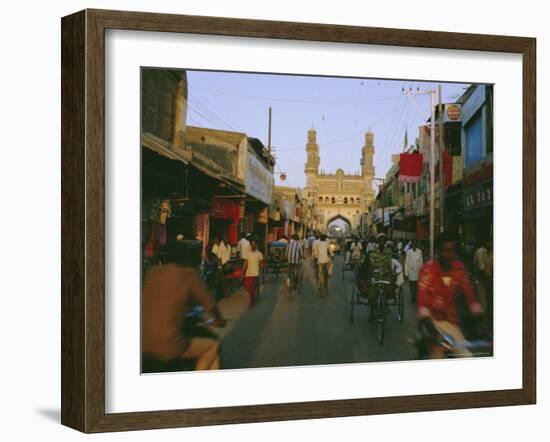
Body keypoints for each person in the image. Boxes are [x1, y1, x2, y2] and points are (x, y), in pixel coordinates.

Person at [142, 240, 226, 371]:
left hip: (141, 342)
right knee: (212, 346)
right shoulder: (188, 274)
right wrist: (219, 320)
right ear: (187, 257)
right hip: (168, 346)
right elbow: (210, 305)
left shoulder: (152, 271)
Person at [416, 231, 484, 358]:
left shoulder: (460, 269)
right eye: (444, 250)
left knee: (466, 356)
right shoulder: (427, 270)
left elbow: (470, 296)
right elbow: (423, 304)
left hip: (452, 323)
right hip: (430, 322)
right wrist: (434, 333)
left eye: (452, 250)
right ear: (437, 251)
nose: (449, 255)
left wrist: (479, 317)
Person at [474, 238, 493, 324]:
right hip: (480, 281)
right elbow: (482, 269)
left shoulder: (492, 253)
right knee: (483, 304)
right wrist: (491, 279)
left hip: (489, 280)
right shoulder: (480, 252)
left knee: (490, 304)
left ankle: (487, 324)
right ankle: (482, 325)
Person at [242, 239, 264, 308]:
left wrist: (261, 270)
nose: (253, 245)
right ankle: (252, 299)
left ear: (257, 245)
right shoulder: (247, 253)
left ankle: (252, 302)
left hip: (255, 273)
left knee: (252, 288)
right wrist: (243, 273)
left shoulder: (259, 254)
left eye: (254, 244)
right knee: (248, 287)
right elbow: (245, 263)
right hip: (248, 273)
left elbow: (261, 264)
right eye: (251, 244)